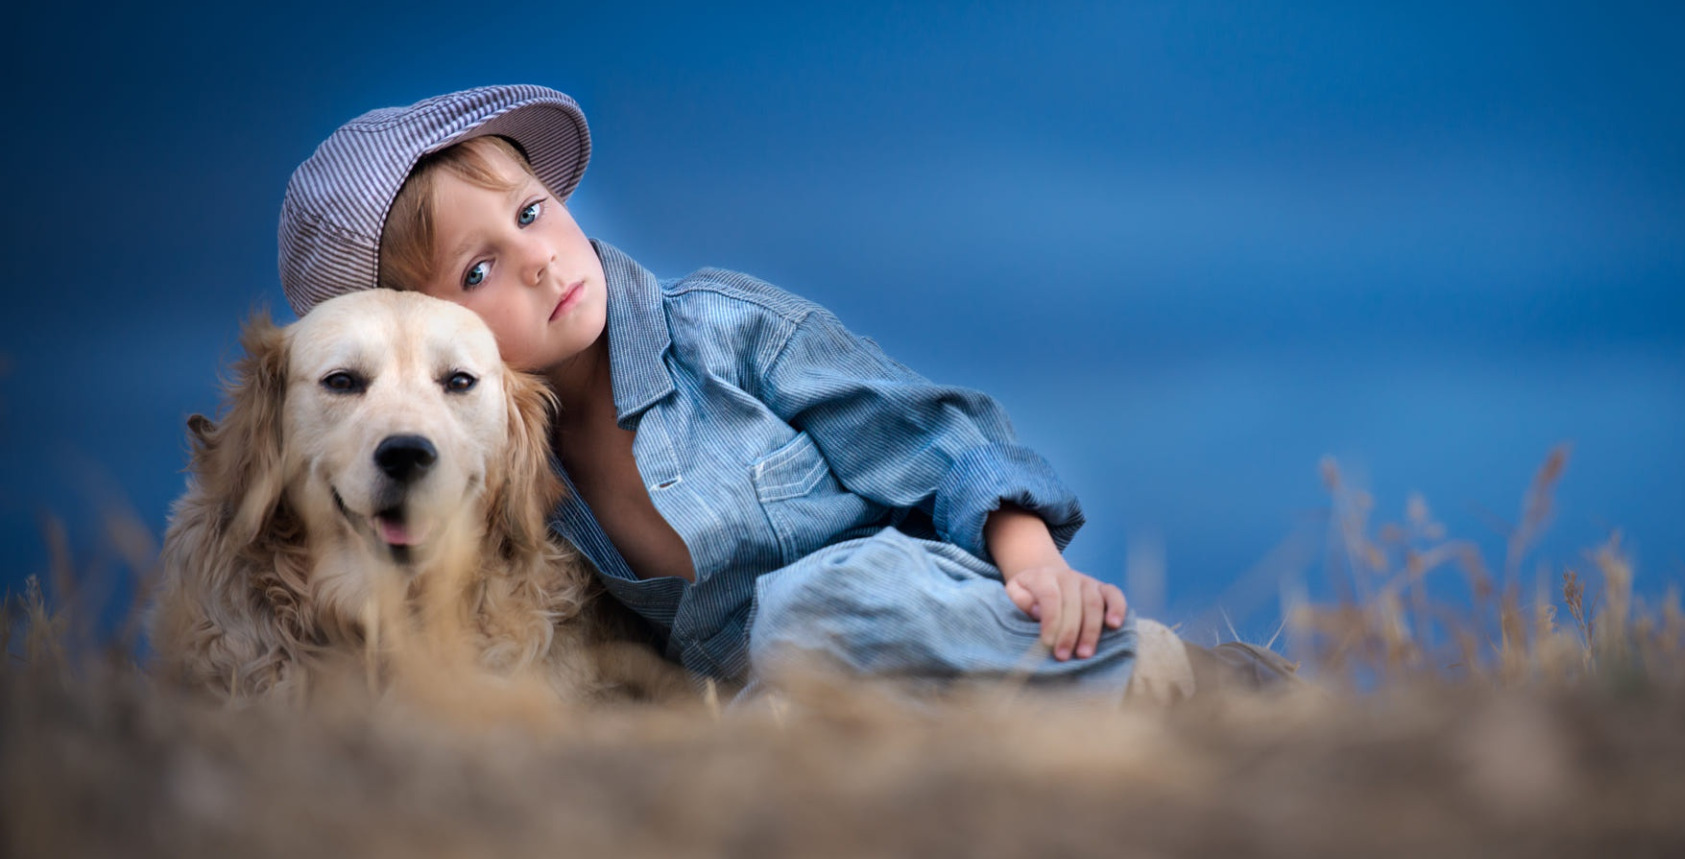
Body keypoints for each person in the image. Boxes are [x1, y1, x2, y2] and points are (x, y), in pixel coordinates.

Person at [278, 84, 1292, 699]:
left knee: (810, 605)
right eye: (477, 272)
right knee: (747, 717)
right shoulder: (510, 466)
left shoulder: (726, 330)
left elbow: (945, 440)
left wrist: (1035, 569)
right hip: (797, 701)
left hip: (902, 609)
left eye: (533, 214)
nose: (538, 262)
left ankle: (1167, 678)